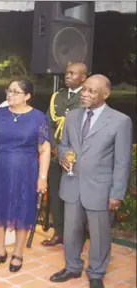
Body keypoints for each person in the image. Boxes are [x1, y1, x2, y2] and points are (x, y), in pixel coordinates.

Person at [50, 74, 133, 288]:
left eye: (91, 91)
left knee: (99, 235)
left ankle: (96, 272)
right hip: (71, 185)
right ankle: (72, 267)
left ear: (105, 95)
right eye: (84, 89)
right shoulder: (73, 116)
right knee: (70, 231)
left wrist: (116, 193)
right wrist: (63, 156)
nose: (84, 94)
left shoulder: (120, 121)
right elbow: (63, 145)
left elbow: (122, 161)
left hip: (100, 189)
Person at [0, 79, 51, 273]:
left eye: (16, 92)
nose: (9, 95)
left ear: (27, 96)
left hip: (25, 171)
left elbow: (44, 149)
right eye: (8, 91)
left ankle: (18, 252)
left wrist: (42, 177)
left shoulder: (38, 118)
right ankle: (0, 250)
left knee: (22, 209)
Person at [42, 62, 87, 247]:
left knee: (75, 198)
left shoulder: (87, 97)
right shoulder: (58, 96)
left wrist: (68, 152)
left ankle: (77, 236)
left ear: (83, 78)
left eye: (72, 73)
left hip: (75, 158)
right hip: (55, 155)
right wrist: (54, 147)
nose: (67, 76)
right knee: (56, 196)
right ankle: (59, 233)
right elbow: (48, 124)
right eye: (66, 73)